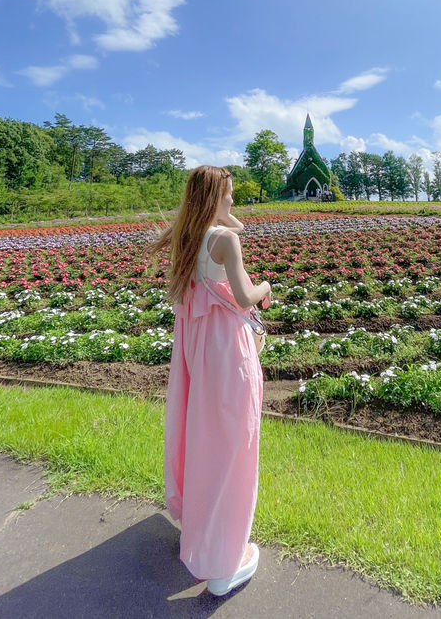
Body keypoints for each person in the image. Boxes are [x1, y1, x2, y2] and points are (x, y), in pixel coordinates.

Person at [146, 165, 272, 595]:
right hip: (228, 353)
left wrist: (221, 212)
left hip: (199, 354)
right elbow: (243, 296)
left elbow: (231, 224)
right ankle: (223, 562)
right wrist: (267, 285)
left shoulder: (188, 239)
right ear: (213, 198)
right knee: (235, 448)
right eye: (230, 194)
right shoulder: (225, 241)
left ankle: (205, 532)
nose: (234, 202)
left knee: (206, 442)